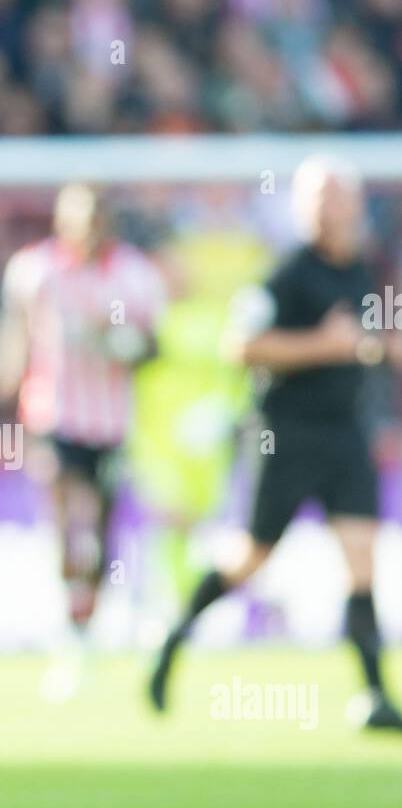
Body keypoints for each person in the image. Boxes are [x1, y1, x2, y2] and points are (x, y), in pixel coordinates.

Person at [148, 155, 402, 731]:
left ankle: (374, 696)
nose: (325, 210)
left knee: (363, 562)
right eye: (316, 199)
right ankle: (173, 638)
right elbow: (242, 346)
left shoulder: (361, 270)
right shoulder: (284, 274)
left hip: (345, 435)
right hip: (283, 438)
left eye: (335, 198)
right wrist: (324, 345)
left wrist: (378, 348)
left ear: (356, 207)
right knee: (249, 559)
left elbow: (360, 340)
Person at [0, 183, 165, 695]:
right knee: (67, 526)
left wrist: (121, 343)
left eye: (92, 220)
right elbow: (18, 327)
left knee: (102, 536)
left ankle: (88, 629)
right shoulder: (35, 269)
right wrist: (6, 372)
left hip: (109, 424)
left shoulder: (133, 274)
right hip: (54, 416)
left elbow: (153, 346)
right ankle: (71, 636)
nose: (84, 230)